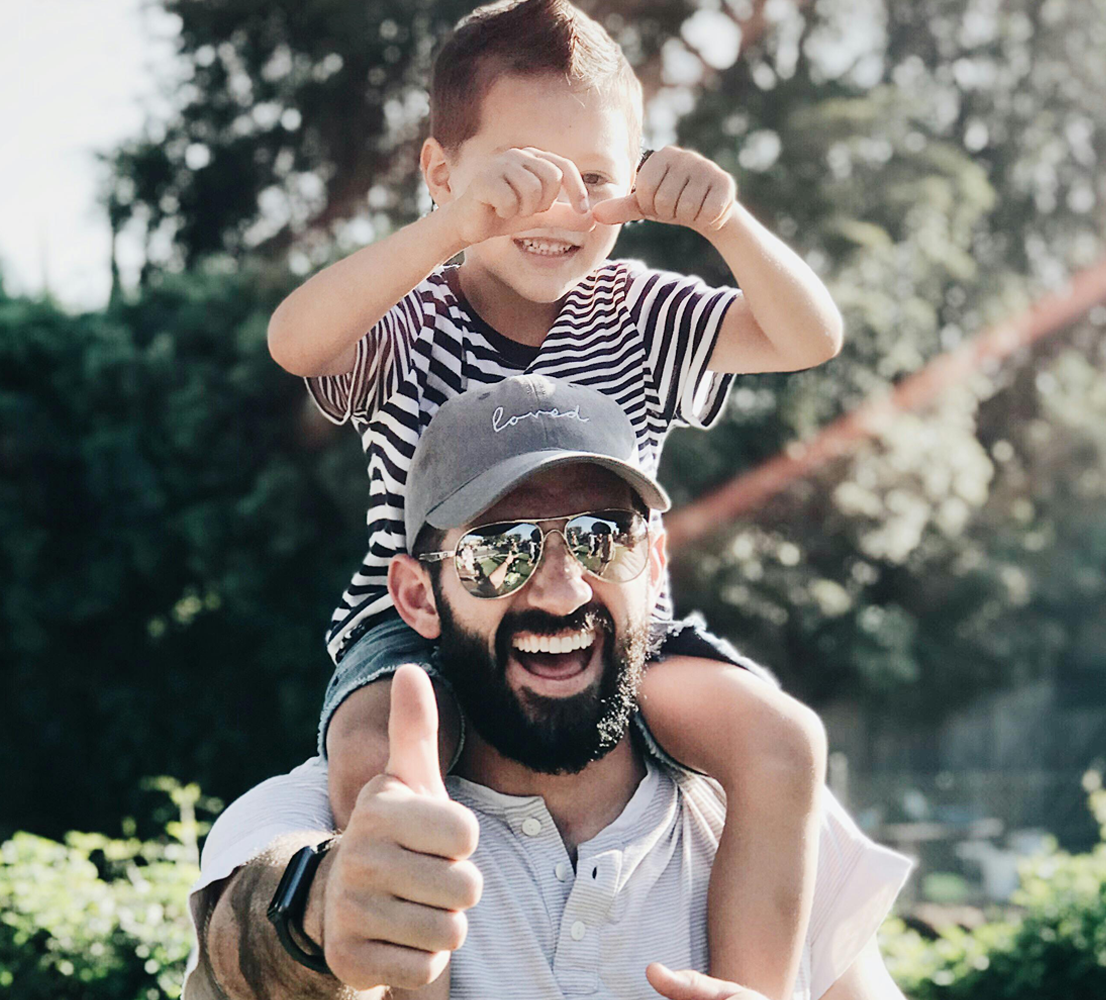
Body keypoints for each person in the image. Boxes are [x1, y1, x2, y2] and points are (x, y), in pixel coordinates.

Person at [268, 1, 847, 994]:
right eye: (518, 174)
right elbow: (297, 341)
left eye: (592, 178)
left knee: (782, 740)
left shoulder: (641, 308)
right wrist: (451, 229)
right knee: (375, 755)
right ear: (444, 172)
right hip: (417, 628)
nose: (556, 207)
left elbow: (808, 336)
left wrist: (726, 220)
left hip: (621, 629)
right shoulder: (411, 317)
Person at [186, 376, 912, 1000]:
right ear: (418, 596)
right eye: (498, 549)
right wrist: (318, 916)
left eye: (603, 537)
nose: (562, 592)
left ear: (655, 565)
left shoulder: (764, 816)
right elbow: (239, 956)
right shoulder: (320, 814)